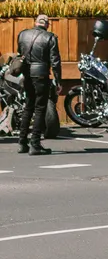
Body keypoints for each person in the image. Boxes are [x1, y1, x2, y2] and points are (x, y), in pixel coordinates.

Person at [16, 13, 61, 155]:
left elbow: (20, 53)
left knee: (28, 107)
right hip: (41, 74)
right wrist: (58, 80)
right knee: (40, 108)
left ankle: (22, 142)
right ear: (47, 24)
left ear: (36, 22)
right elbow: (55, 61)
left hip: (27, 73)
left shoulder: (23, 34)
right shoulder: (50, 37)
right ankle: (35, 144)